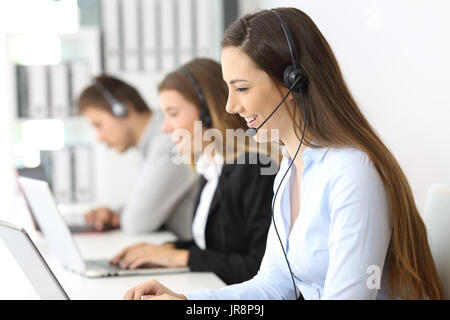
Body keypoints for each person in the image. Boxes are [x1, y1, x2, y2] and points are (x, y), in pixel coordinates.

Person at [124, 8, 443, 300]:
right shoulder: (289, 170)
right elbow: (272, 286)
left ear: (294, 82)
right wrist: (188, 302)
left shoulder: (352, 173)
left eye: (242, 88)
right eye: (229, 88)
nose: (230, 107)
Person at [109, 58, 276, 285]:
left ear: (208, 112)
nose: (165, 127)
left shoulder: (255, 169)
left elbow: (259, 266)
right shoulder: (212, 168)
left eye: (173, 113)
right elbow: (214, 247)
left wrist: (179, 257)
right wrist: (165, 250)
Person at [77, 75, 199, 240]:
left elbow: (138, 222)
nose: (99, 137)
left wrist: (123, 216)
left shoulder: (169, 140)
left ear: (122, 110)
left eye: (98, 125)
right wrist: (116, 214)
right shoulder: (152, 143)